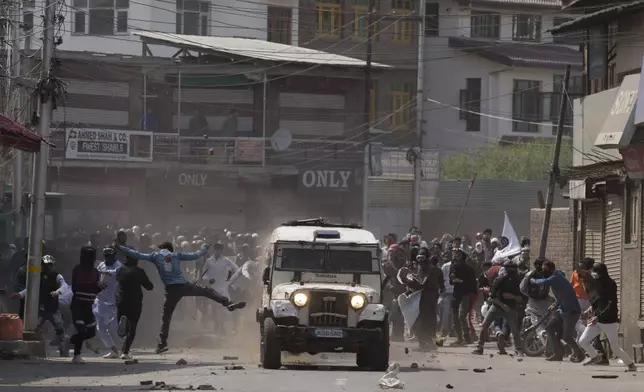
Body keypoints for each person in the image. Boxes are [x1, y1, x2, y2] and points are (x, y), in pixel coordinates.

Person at [114, 240, 246, 354]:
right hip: (184, 286)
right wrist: (205, 247)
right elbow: (195, 255)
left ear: (162, 249)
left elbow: (137, 255)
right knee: (207, 291)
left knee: (166, 317)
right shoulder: (176, 255)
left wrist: (121, 247)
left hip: (171, 291)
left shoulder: (155, 256)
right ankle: (227, 303)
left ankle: (162, 343)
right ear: (171, 249)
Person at [578, 263, 636, 371]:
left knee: (615, 347)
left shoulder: (610, 284)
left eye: (594, 272)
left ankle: (631, 365)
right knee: (583, 341)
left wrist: (598, 317)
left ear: (600, 273)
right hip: (598, 320)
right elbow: (598, 300)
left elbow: (609, 304)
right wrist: (590, 309)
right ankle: (595, 357)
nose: (593, 274)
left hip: (609, 320)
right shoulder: (598, 283)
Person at [11, 255, 69, 357]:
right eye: (46, 265)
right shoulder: (38, 276)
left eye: (50, 265)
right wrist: (19, 294)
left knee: (60, 330)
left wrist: (57, 292)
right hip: (41, 309)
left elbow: (64, 285)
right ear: (42, 265)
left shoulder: (57, 276)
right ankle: (33, 352)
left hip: (53, 309)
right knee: (33, 329)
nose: (48, 267)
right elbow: (30, 289)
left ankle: (63, 351)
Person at [530, 260, 585, 362]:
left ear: (551, 269)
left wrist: (533, 280)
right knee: (549, 328)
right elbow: (562, 295)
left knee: (567, 337)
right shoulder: (556, 277)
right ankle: (557, 354)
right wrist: (556, 304)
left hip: (571, 311)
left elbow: (543, 282)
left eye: (544, 269)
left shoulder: (556, 277)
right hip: (563, 309)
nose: (543, 271)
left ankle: (580, 354)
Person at [472, 261, 524, 356]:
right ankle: (480, 347)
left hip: (510, 308)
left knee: (514, 329)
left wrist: (513, 297)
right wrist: (503, 305)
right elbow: (493, 297)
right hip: (497, 306)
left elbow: (522, 297)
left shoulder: (518, 281)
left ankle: (518, 349)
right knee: (484, 325)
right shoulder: (500, 280)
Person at [70, 246, 104, 364]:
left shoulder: (95, 272)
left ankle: (68, 341)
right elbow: (76, 286)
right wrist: (92, 285)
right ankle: (76, 355)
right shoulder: (77, 269)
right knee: (82, 331)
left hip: (89, 305)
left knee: (91, 332)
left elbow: (94, 290)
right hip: (78, 304)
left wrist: (100, 287)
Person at [405, 249, 444, 351]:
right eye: (418, 258)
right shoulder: (423, 269)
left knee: (422, 320)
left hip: (427, 298)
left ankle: (424, 343)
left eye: (422, 258)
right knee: (428, 320)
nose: (420, 261)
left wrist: (410, 282)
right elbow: (441, 287)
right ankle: (428, 342)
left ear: (427, 258)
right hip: (427, 297)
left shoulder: (431, 270)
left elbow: (422, 285)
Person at [116, 256, 153, 360]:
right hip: (135, 302)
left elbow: (118, 281)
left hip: (121, 301)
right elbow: (149, 286)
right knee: (132, 328)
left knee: (122, 329)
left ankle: (122, 322)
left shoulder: (119, 270)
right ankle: (125, 352)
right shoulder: (139, 271)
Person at [201, 243, 239, 332]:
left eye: (219, 249)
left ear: (222, 251)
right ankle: (216, 324)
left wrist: (229, 279)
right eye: (216, 249)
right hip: (212, 287)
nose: (217, 251)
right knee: (214, 307)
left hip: (223, 287)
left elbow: (236, 269)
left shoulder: (226, 260)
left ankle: (221, 326)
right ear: (214, 250)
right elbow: (203, 274)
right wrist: (208, 279)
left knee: (222, 307)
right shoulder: (209, 261)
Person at [94, 246, 123, 359]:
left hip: (113, 302)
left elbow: (114, 273)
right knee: (100, 328)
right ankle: (113, 350)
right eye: (105, 255)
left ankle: (126, 348)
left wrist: (101, 271)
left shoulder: (118, 265)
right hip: (100, 300)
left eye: (109, 255)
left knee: (115, 328)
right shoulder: (101, 264)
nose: (107, 257)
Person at [449, 248, 477, 345]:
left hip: (466, 294)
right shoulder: (453, 267)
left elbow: (473, 283)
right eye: (455, 254)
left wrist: (462, 282)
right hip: (456, 294)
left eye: (458, 254)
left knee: (461, 316)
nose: (456, 255)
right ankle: (459, 338)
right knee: (455, 317)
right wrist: (454, 280)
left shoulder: (470, 269)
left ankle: (466, 336)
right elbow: (451, 281)